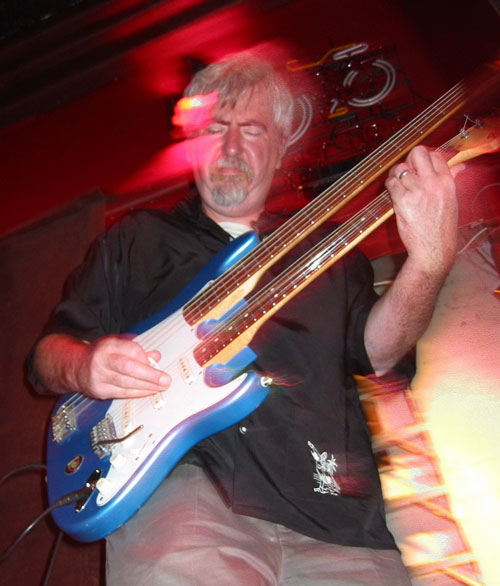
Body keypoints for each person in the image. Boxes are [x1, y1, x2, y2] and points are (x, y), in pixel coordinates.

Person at [29, 53, 462, 585]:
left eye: (252, 130)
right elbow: (47, 357)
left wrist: (429, 264)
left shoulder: (328, 250)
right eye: (214, 129)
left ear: (280, 149)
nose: (230, 147)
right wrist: (85, 365)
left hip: (339, 518)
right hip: (187, 497)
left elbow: (380, 351)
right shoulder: (138, 240)